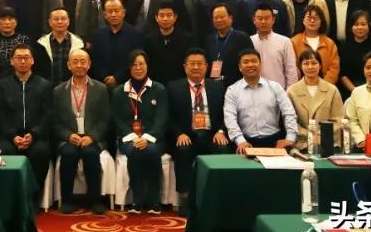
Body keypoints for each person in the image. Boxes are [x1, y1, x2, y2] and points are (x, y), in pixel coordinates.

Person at [168, 49, 229, 214]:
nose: (196, 67)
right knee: (183, 149)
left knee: (222, 148)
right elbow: (169, 116)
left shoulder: (218, 87)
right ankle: (186, 198)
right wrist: (179, 133)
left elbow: (228, 113)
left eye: (200, 64)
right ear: (185, 67)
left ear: (207, 66)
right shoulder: (174, 87)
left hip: (212, 134)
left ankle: (220, 197)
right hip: (187, 134)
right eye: (192, 64)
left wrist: (221, 131)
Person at [111, 50, 169, 214]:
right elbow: (117, 119)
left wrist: (147, 138)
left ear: (147, 66)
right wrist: (133, 138)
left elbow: (161, 119)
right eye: (134, 65)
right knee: (135, 150)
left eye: (141, 64)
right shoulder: (119, 91)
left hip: (154, 138)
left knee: (151, 151)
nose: (138, 68)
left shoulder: (159, 89)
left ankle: (154, 200)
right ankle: (137, 199)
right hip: (128, 138)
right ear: (129, 68)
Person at [53, 48, 109, 214]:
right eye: (75, 62)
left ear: (89, 64)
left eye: (83, 61)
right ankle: (67, 200)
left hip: (92, 137)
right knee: (69, 154)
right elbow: (55, 122)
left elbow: (105, 119)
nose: (79, 65)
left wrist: (92, 137)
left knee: (90, 154)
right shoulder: (58, 91)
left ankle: (95, 200)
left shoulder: (100, 88)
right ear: (68, 65)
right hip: (69, 137)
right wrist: (68, 135)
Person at [0, 45, 53, 186]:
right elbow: (1, 115)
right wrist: (13, 136)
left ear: (32, 60)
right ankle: (11, 193)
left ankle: (34, 193)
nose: (22, 61)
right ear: (12, 61)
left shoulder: (44, 85)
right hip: (10, 137)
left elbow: (48, 115)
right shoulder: (3, 85)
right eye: (19, 58)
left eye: (26, 58)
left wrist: (33, 134)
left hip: (36, 137)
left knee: (41, 152)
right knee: (6, 151)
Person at [223, 48, 298, 152]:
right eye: (246, 62)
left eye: (254, 61)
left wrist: (290, 138)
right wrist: (240, 141)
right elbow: (230, 118)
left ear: (260, 64)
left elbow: (289, 112)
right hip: (245, 143)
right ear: (240, 67)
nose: (250, 65)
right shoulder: (232, 90)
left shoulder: (275, 87)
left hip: (275, 142)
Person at [286, 49, 345, 151]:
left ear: (320, 65)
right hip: (302, 144)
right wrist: (309, 136)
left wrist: (321, 135)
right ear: (300, 66)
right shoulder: (292, 91)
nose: (310, 67)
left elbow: (338, 120)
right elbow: (290, 121)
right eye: (306, 63)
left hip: (327, 143)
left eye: (314, 63)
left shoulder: (332, 90)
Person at [90, 0, 144, 90]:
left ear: (123, 12)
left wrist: (117, 78)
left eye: (116, 11)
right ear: (105, 15)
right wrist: (105, 77)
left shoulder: (135, 34)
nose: (113, 15)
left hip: (128, 84)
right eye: (110, 12)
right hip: (102, 84)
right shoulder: (98, 35)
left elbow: (135, 60)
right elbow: (94, 60)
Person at [249, 3, 298, 89]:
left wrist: (288, 93)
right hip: (254, 90)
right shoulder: (249, 41)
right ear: (254, 20)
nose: (263, 21)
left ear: (273, 20)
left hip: (279, 92)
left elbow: (291, 71)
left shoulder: (285, 42)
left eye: (267, 18)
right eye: (260, 18)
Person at [143, 3, 194, 85]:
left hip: (181, 84)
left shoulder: (187, 39)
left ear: (175, 17)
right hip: (156, 85)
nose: (165, 19)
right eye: (162, 15)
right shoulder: (148, 41)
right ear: (156, 18)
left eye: (169, 15)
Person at [204, 3, 252, 88]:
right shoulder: (209, 39)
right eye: (215, 18)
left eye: (222, 17)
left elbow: (248, 64)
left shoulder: (242, 38)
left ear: (231, 18)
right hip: (213, 86)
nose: (219, 20)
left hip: (236, 86)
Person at [290, 4, 341, 85]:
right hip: (301, 86)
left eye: (316, 18)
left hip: (326, 87)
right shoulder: (294, 41)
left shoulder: (329, 43)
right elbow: (292, 67)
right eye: (309, 17)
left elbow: (334, 68)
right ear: (303, 20)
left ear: (321, 21)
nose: (312, 20)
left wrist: (323, 86)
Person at [338, 11, 371, 101]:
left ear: (369, 25)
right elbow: (342, 74)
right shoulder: (344, 46)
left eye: (363, 24)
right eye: (356, 24)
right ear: (351, 26)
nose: (360, 27)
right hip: (350, 91)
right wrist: (356, 91)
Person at [0, 7, 31, 87]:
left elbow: (30, 63)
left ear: (16, 22)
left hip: (21, 85)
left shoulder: (24, 40)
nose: (7, 22)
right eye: (3, 19)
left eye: (10, 19)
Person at [36, 8, 85, 85]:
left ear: (68, 21)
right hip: (47, 87)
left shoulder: (79, 43)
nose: (60, 22)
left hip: (71, 87)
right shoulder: (41, 43)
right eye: (56, 19)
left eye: (63, 19)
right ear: (50, 22)